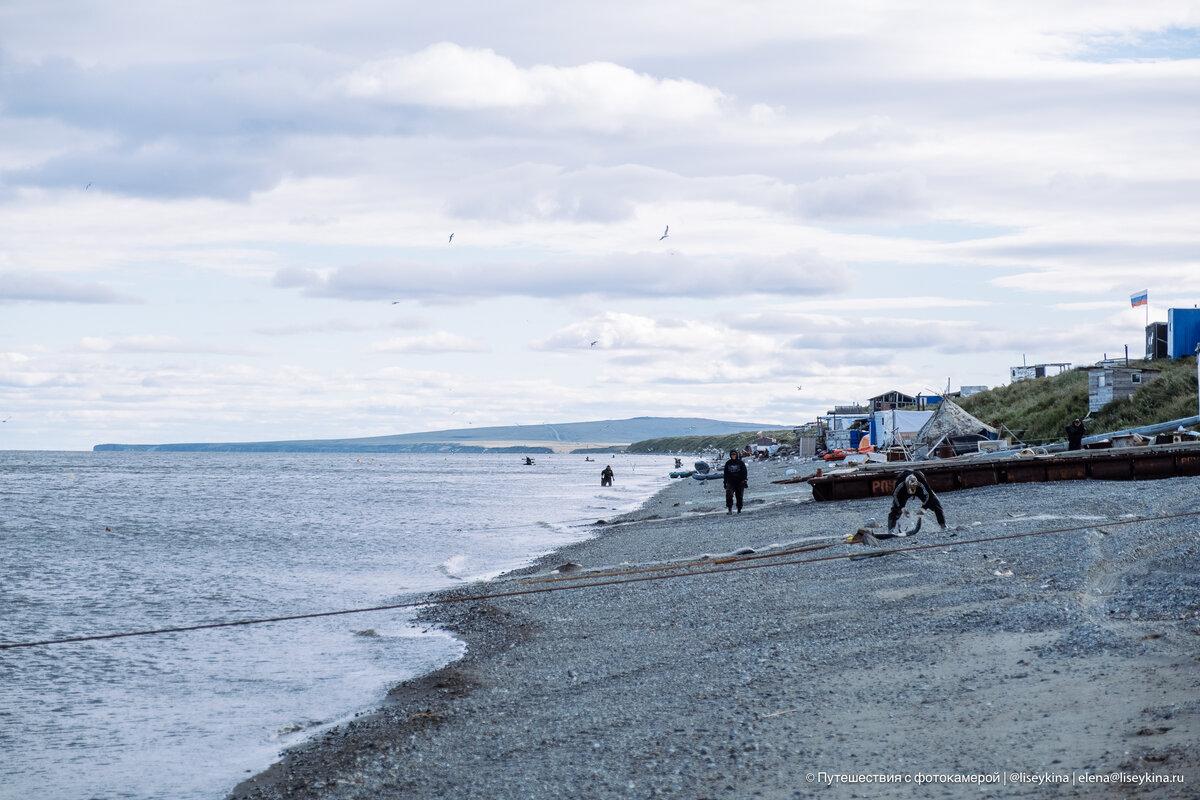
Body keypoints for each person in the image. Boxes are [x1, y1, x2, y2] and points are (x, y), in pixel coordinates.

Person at [886, 470, 946, 534]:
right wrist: (902, 508)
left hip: (919, 490)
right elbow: (895, 495)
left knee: (935, 503)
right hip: (904, 491)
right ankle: (891, 529)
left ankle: (943, 525)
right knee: (895, 508)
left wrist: (923, 509)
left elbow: (929, 496)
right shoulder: (900, 483)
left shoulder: (921, 482)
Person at [722, 449, 748, 514]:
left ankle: (739, 509)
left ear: (737, 455)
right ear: (730, 455)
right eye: (732, 454)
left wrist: (744, 480)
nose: (733, 455)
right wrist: (725, 482)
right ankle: (729, 509)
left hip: (740, 482)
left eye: (734, 454)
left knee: (739, 496)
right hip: (730, 482)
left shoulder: (741, 463)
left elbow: (744, 472)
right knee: (729, 495)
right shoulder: (728, 463)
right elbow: (725, 473)